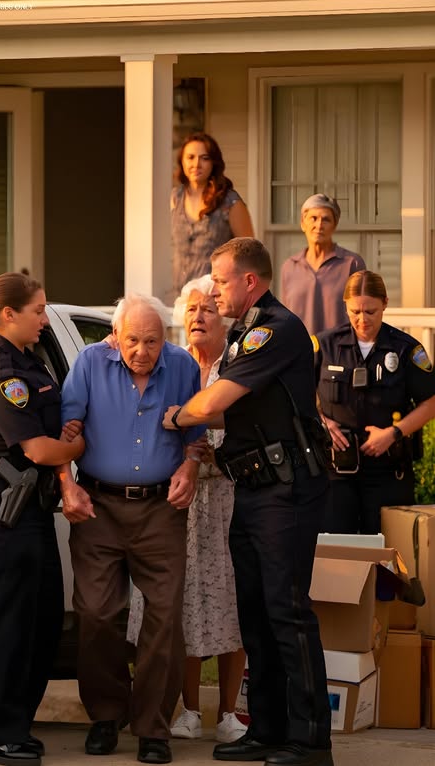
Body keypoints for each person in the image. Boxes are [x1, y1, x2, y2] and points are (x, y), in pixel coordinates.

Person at [163, 237, 333, 766]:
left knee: (287, 611)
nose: (214, 291)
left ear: (250, 281)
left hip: (286, 490)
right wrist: (191, 414)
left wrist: (176, 416)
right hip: (253, 486)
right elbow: (231, 412)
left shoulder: (274, 330)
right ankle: (268, 729)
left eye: (220, 280)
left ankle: (310, 742)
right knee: (255, 615)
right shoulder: (244, 333)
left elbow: (213, 402)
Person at [59, 293, 204, 766]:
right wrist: (66, 484)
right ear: (115, 336)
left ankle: (153, 727)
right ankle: (107, 714)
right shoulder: (89, 363)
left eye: (153, 341)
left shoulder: (182, 366)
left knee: (164, 617)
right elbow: (67, 429)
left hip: (161, 509)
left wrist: (191, 468)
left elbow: (196, 436)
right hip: (98, 506)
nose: (142, 351)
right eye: (133, 340)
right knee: (96, 612)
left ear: (166, 338)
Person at [0, 272, 85, 766]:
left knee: (43, 623)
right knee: (10, 625)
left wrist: (63, 439)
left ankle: (17, 727)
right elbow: (40, 449)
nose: (44, 318)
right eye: (38, 310)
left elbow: (52, 432)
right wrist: (79, 445)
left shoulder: (30, 362)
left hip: (28, 510)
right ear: (9, 314)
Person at [127, 275, 247, 744]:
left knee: (230, 602)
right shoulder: (171, 364)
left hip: (225, 503)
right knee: (181, 605)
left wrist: (211, 455)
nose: (198, 316)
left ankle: (230, 713)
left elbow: (245, 429)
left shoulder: (237, 367)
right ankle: (190, 710)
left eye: (208, 309)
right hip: (176, 504)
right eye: (192, 309)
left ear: (224, 319)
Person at [314, 269, 435, 534]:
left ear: (385, 304)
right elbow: (295, 393)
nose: (362, 319)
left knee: (389, 549)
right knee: (337, 550)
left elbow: (431, 402)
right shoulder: (325, 345)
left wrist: (394, 433)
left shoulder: (406, 349)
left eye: (371, 311)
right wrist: (322, 422)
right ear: (345, 306)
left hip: (388, 472)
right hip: (336, 472)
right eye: (355, 311)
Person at [171, 131, 254, 297]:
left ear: (214, 163)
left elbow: (250, 255)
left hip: (217, 298)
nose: (196, 164)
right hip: (181, 299)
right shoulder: (175, 198)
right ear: (182, 161)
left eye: (205, 158)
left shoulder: (230, 202)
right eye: (190, 157)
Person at [281, 193, 366, 335]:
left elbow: (363, 313)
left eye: (326, 219)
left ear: (335, 225)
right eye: (313, 218)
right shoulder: (289, 267)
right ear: (303, 223)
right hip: (299, 347)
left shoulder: (352, 263)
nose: (319, 225)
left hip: (339, 347)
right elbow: (285, 317)